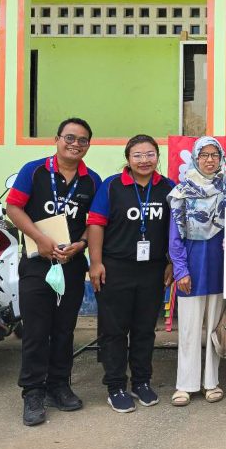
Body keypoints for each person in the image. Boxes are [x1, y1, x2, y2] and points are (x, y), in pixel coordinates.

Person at [5, 117, 101, 427]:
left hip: (71, 265)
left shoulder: (92, 180)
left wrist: (81, 245)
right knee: (36, 330)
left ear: (88, 145)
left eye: (82, 140)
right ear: (57, 139)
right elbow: (14, 208)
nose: (75, 144)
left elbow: (94, 221)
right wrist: (40, 239)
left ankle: (59, 385)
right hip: (37, 263)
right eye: (70, 137)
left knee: (63, 329)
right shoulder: (34, 171)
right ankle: (33, 392)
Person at [86, 135, 175, 413]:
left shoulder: (168, 187)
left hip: (153, 270)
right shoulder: (112, 186)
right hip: (115, 268)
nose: (144, 160)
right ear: (128, 158)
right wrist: (95, 262)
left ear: (158, 157)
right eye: (137, 155)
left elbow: (175, 229)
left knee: (144, 329)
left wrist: (171, 262)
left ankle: (141, 382)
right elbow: (96, 224)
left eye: (150, 154)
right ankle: (115, 386)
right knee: (114, 331)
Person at [166, 136, 226, 407]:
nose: (210, 160)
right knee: (188, 329)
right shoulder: (182, 192)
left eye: (214, 155)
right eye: (204, 155)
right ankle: (185, 385)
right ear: (195, 158)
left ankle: (211, 382)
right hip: (192, 267)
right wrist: (180, 271)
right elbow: (175, 238)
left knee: (215, 328)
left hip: (220, 266)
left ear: (221, 158)